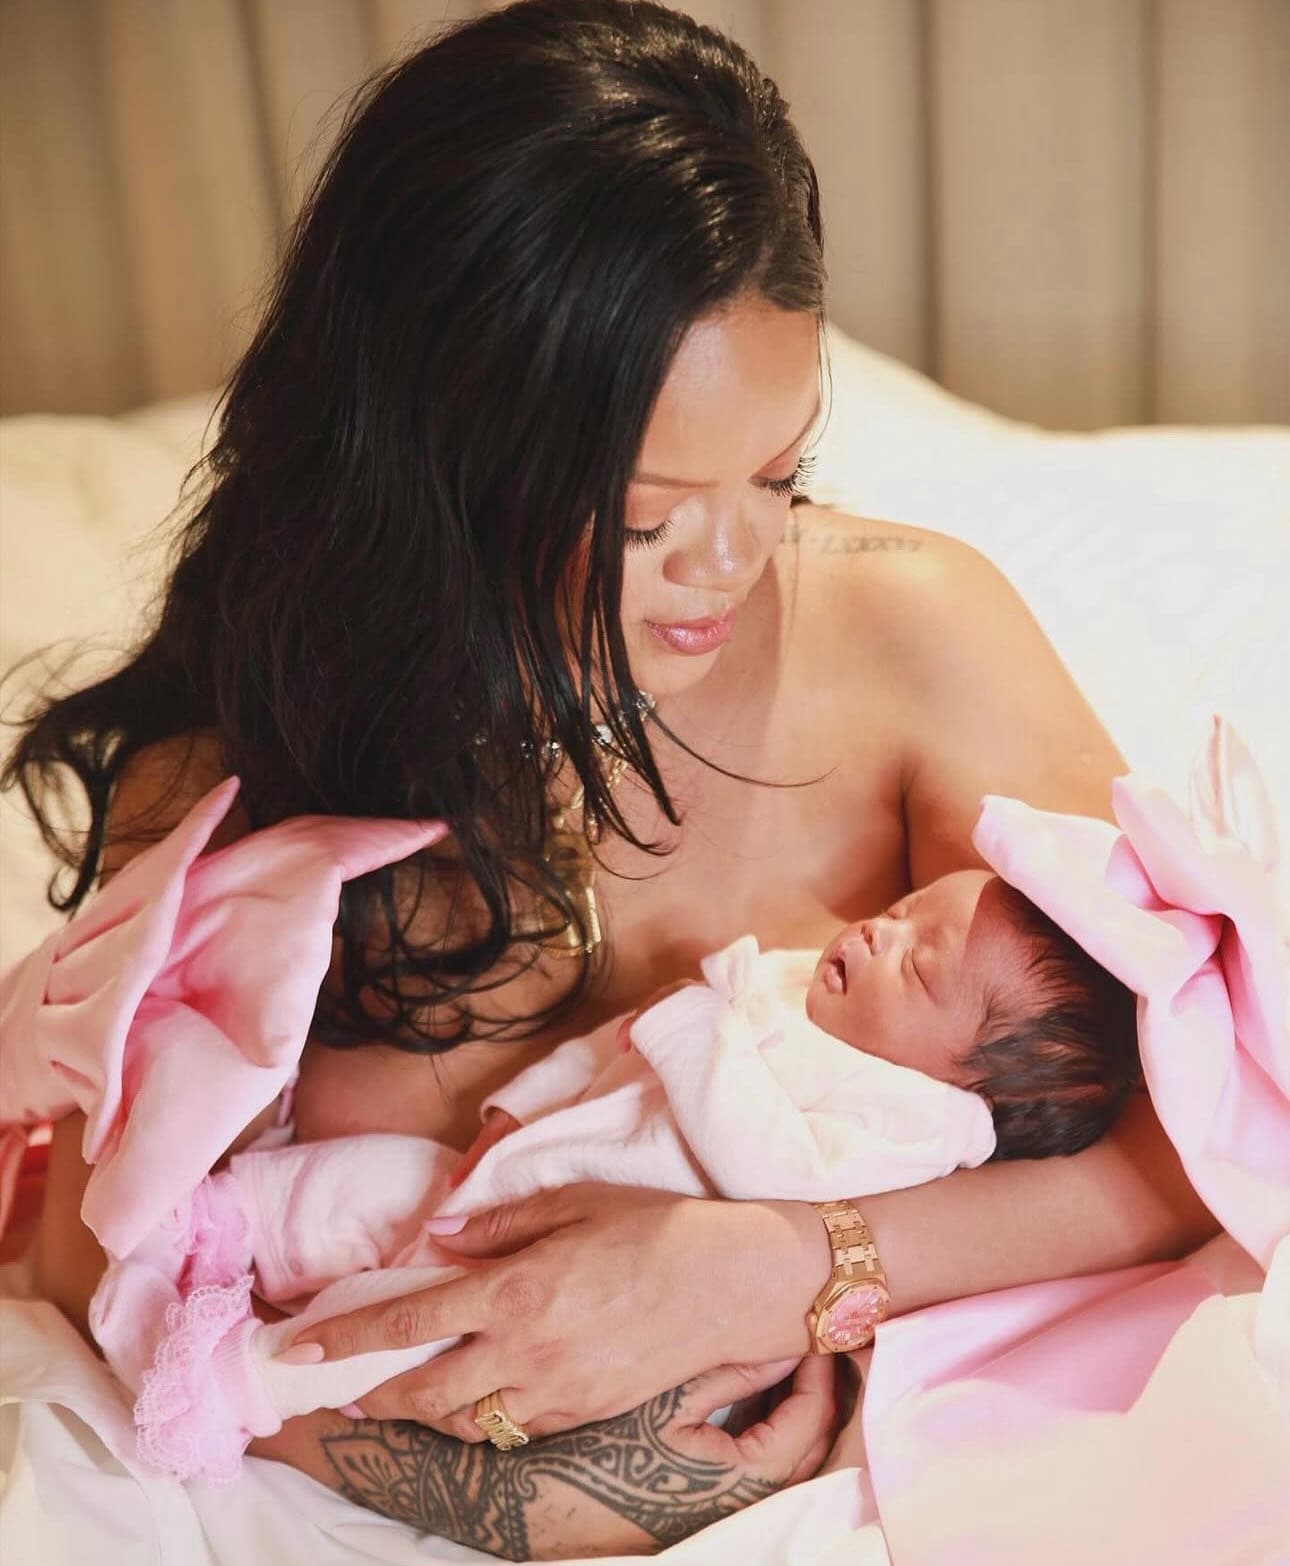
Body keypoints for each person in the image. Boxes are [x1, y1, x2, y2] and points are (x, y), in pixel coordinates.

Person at [7, 1, 1214, 1558]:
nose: (729, 566)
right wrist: (503, 1478)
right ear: (445, 465)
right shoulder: (250, 773)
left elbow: (1210, 1117)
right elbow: (92, 1276)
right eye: (648, 514)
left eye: (776, 474)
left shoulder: (907, 639)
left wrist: (794, 1260)